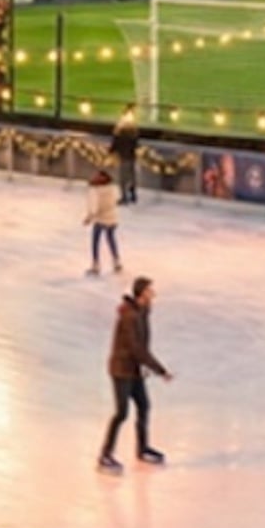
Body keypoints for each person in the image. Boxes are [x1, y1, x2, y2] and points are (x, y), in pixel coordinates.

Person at [98, 276, 173, 473]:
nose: (153, 295)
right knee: (121, 413)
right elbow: (136, 348)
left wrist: (145, 366)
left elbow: (142, 344)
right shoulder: (130, 316)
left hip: (134, 370)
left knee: (144, 406)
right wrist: (159, 369)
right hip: (122, 370)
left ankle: (142, 449)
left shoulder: (142, 312)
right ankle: (105, 455)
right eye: (150, 291)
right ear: (141, 294)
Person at [83, 169, 121, 276]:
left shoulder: (95, 190)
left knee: (95, 241)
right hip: (112, 217)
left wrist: (89, 217)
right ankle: (116, 261)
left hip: (101, 219)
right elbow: (116, 199)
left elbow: (94, 207)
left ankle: (96, 264)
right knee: (111, 239)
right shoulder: (113, 188)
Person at [110, 105, 139, 205]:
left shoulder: (120, 130)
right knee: (132, 176)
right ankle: (133, 194)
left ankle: (124, 197)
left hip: (124, 156)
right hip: (131, 156)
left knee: (123, 178)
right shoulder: (133, 130)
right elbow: (136, 144)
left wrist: (111, 151)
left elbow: (116, 142)